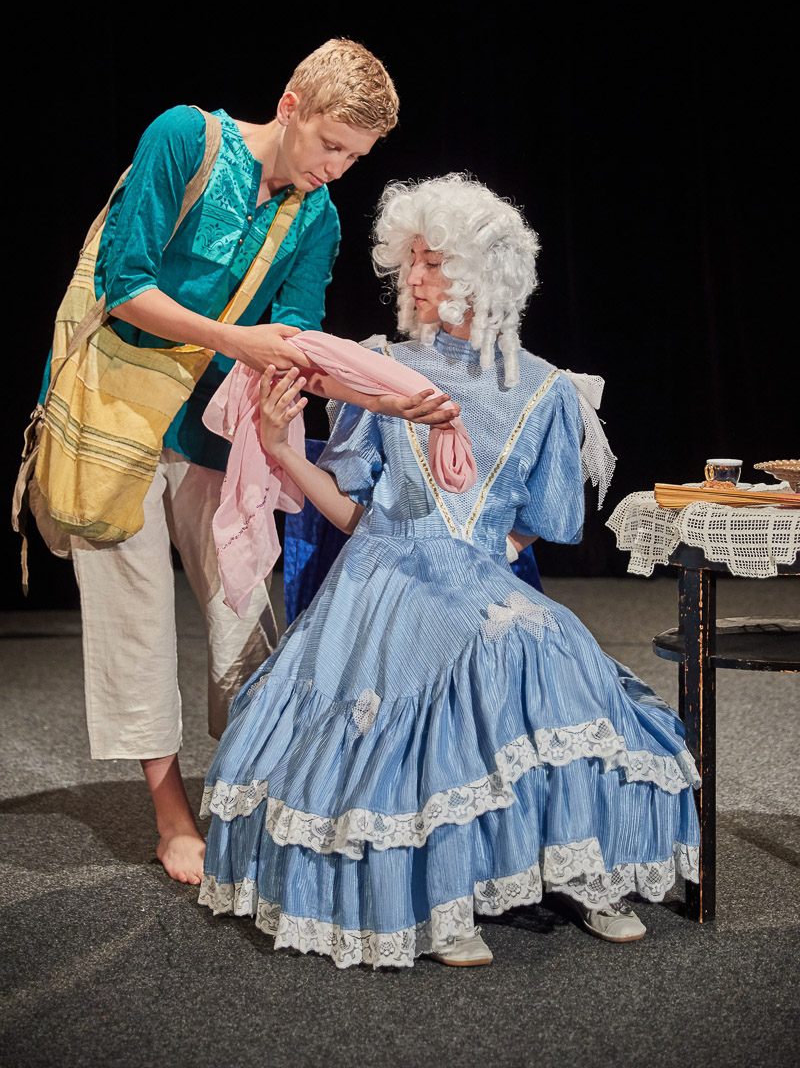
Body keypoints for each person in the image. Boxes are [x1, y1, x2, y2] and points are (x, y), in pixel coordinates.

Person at [198, 174, 701, 969]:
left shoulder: (545, 390)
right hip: (385, 572)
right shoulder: (381, 370)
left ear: (482, 273)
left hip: (477, 574)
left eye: (433, 262)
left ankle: (578, 867)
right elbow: (356, 512)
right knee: (474, 658)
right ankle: (439, 896)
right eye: (410, 261)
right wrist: (282, 449)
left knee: (549, 641)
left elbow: (543, 522)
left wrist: (484, 567)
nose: (414, 277)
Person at [39, 39, 458, 888]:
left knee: (243, 610)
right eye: (331, 145)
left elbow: (295, 344)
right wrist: (237, 341)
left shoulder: (316, 216)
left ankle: (253, 785)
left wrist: (385, 398)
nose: (336, 168)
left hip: (209, 431)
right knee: (133, 615)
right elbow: (125, 285)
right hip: (114, 410)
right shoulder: (185, 139)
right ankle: (172, 815)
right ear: (291, 106)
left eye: (355, 157)